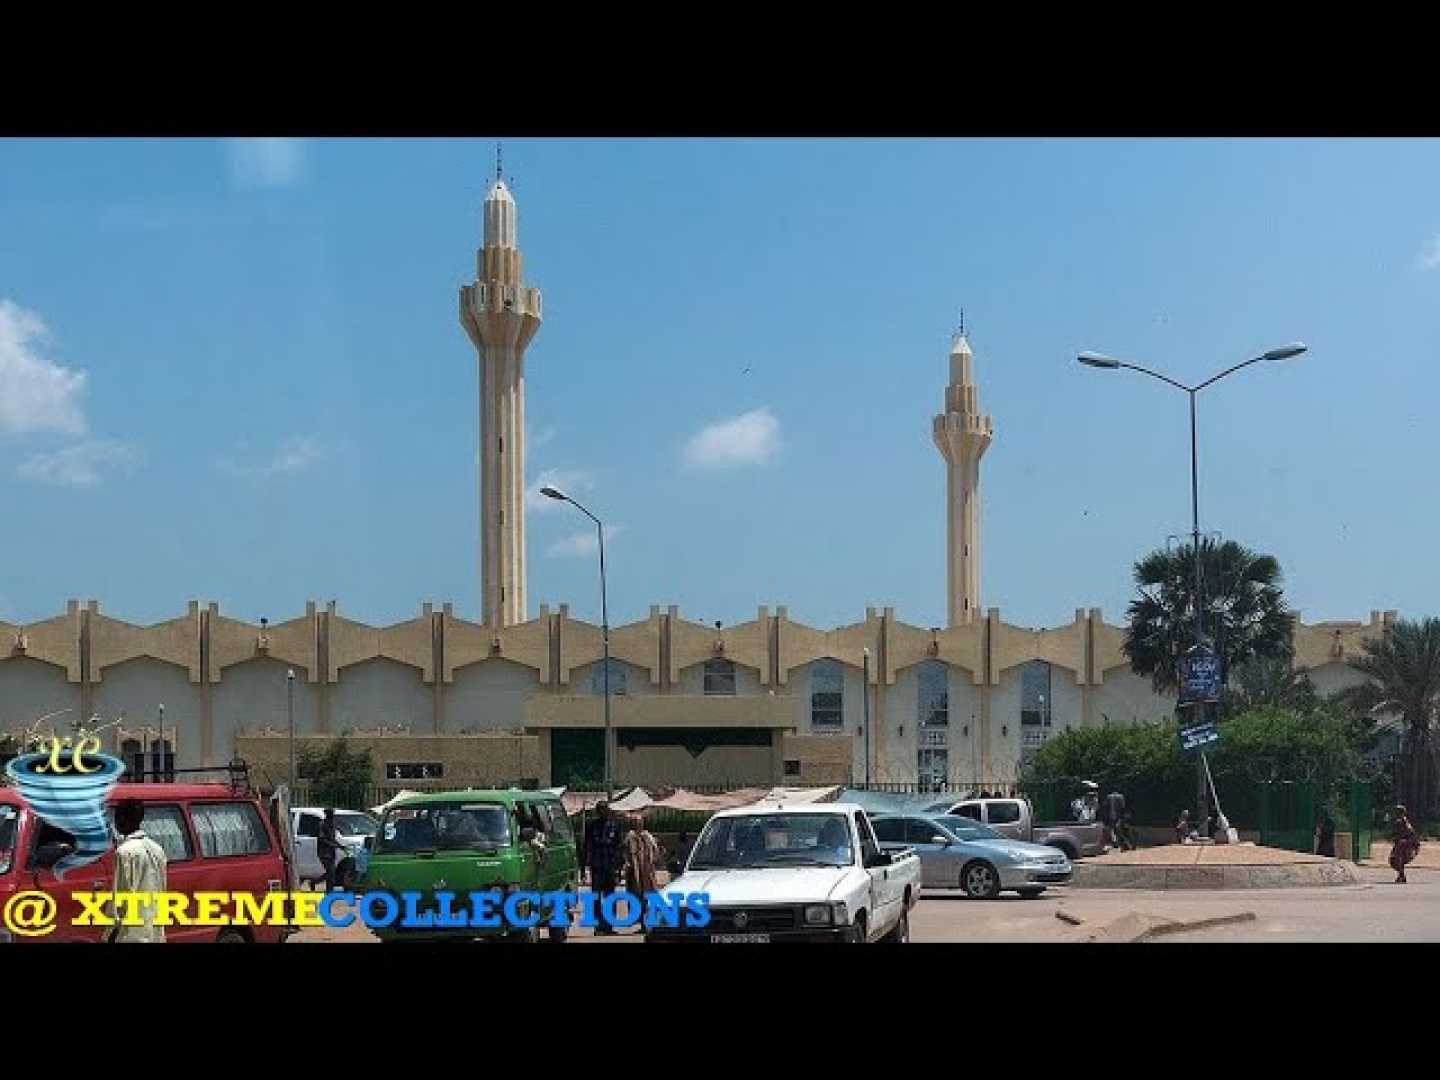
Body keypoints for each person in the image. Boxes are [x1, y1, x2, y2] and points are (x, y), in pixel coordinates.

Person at [107, 798, 168, 943]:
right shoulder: (157, 849)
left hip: (132, 933)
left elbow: (120, 896)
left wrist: (110, 931)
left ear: (122, 819)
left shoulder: (124, 852)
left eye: (117, 818)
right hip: (154, 930)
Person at [582, 801, 623, 934]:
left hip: (610, 866)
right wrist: (583, 869)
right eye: (600, 810)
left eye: (604, 810)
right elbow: (586, 847)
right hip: (597, 866)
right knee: (596, 898)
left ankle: (609, 926)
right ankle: (598, 926)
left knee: (610, 897)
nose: (602, 813)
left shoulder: (614, 826)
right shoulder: (592, 826)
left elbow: (619, 848)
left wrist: (619, 869)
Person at [623, 813, 661, 905]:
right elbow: (625, 852)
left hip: (647, 869)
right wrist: (627, 863)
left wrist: (653, 861)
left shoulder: (648, 836)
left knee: (648, 892)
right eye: (637, 822)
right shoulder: (630, 836)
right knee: (634, 892)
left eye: (640, 822)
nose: (639, 825)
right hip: (634, 868)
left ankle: (645, 911)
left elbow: (655, 850)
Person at [1389, 805, 1421, 884]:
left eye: (1398, 812)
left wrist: (1414, 847)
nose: (1396, 814)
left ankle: (1401, 876)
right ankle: (1401, 875)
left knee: (1397, 857)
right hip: (1403, 845)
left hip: (1408, 846)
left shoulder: (1404, 822)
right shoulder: (1399, 822)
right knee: (1393, 860)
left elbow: (1412, 835)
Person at [317, 807, 341, 891]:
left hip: (331, 852)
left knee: (332, 872)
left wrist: (339, 845)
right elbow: (322, 839)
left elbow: (333, 838)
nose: (332, 816)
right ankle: (314, 881)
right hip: (323, 852)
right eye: (330, 814)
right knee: (330, 872)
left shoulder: (333, 825)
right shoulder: (322, 824)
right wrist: (332, 845)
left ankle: (329, 890)